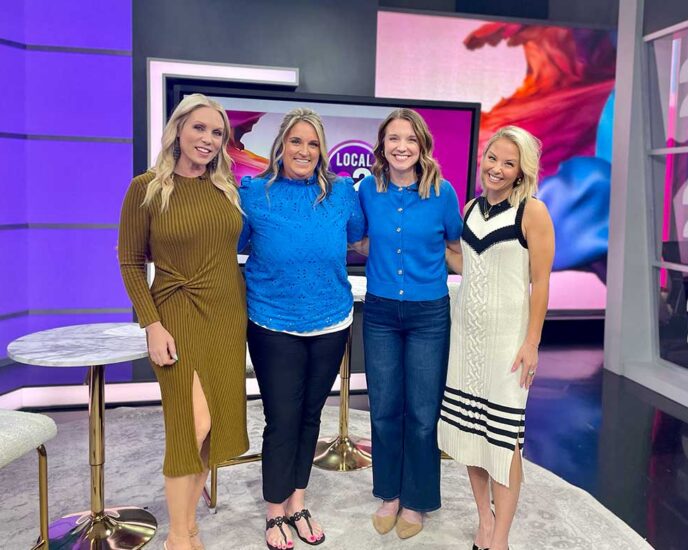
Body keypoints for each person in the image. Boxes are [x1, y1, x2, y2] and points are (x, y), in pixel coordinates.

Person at [118, 94, 248, 550]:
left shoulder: (226, 187)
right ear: (177, 130)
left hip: (227, 316)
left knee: (213, 428)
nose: (208, 139)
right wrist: (151, 325)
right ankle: (177, 537)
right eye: (199, 128)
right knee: (189, 428)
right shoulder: (146, 187)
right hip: (176, 314)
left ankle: (189, 526)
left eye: (217, 133)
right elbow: (130, 261)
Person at [238, 108, 365, 550]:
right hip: (272, 322)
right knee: (282, 418)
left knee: (311, 415)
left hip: (331, 320)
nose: (304, 151)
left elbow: (358, 237)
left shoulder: (341, 192)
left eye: (313, 144)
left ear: (322, 151)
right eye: (296, 141)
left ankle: (297, 503)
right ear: (281, 145)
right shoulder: (253, 192)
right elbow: (231, 243)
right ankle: (274, 511)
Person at [438, 126, 555, 550]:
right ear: (483, 158)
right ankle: (484, 523)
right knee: (472, 438)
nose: (497, 169)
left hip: (508, 346)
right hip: (465, 339)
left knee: (503, 444)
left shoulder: (532, 212)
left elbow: (541, 283)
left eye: (509, 163)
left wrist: (532, 342)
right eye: (493, 158)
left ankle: (500, 538)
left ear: (522, 170)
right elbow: (469, 265)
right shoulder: (470, 208)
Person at [358, 108, 463, 539]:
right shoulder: (368, 189)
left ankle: (417, 501)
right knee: (384, 408)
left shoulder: (442, 192)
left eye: (410, 139)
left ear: (423, 146)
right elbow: (361, 241)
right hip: (381, 312)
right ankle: (389, 494)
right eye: (393, 138)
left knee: (422, 412)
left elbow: (455, 245)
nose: (402, 147)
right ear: (382, 145)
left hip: (428, 315)